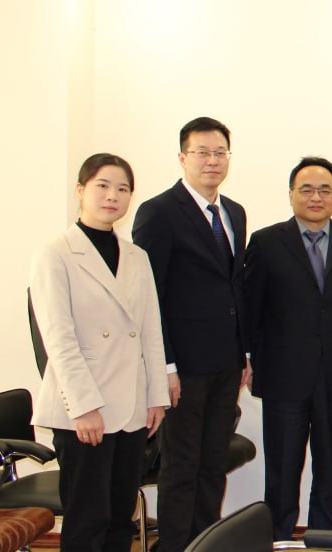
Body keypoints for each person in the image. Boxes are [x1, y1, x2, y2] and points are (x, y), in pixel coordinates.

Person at [29, 153, 170, 552]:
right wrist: (84, 406)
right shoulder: (55, 254)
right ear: (80, 190)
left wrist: (156, 396)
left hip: (130, 406)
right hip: (84, 409)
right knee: (87, 519)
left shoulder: (136, 256)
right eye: (103, 186)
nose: (113, 196)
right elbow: (58, 339)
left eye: (123, 189)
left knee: (119, 517)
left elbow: (150, 331)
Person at [132, 116, 248, 552]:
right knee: (181, 467)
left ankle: (204, 544)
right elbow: (149, 296)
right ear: (183, 157)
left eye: (220, 153)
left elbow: (234, 287)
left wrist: (244, 353)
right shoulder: (159, 213)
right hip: (181, 367)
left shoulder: (234, 212)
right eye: (202, 152)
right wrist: (164, 365)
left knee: (212, 464)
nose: (212, 161)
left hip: (225, 363)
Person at [244, 157, 332, 539]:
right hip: (282, 374)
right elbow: (252, 308)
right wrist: (247, 360)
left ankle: (327, 541)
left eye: (324, 190)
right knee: (282, 470)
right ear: (291, 194)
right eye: (307, 189)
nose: (316, 197)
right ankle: (278, 539)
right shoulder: (266, 242)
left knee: (331, 468)